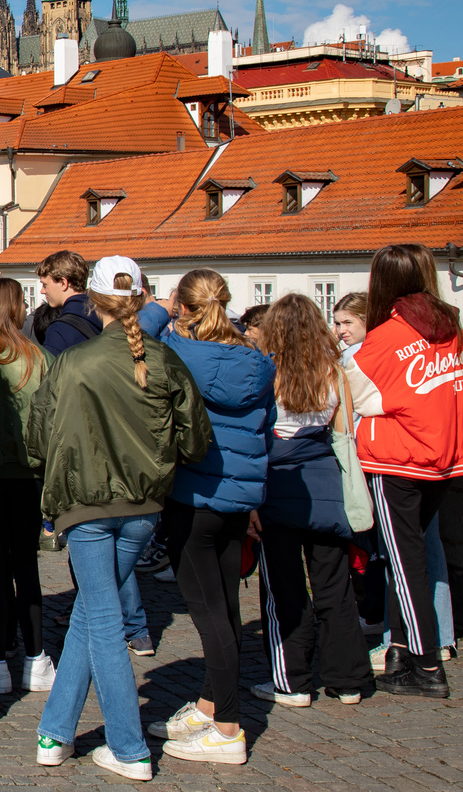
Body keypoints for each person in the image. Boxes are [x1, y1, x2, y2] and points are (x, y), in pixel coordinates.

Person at [29, 256, 211, 781]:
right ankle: (56, 732)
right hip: (143, 505)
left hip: (86, 503)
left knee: (102, 620)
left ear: (95, 300)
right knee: (93, 611)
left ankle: (128, 748)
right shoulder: (165, 360)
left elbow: (38, 437)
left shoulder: (74, 362)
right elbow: (196, 440)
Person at [144, 268, 275, 765]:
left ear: (185, 306)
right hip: (240, 499)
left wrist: (164, 308)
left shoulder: (182, 353)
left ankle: (228, 729)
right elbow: (264, 429)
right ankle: (210, 704)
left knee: (209, 617)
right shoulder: (256, 359)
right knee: (225, 609)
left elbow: (138, 331)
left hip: (195, 496)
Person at [345, 244, 463, 698]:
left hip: (397, 460)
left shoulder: (387, 337)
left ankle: (425, 667)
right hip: (443, 460)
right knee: (410, 561)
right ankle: (405, 652)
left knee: (405, 566)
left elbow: (354, 398)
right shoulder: (453, 331)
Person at [253, 295, 374, 708]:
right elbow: (344, 437)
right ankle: (349, 679)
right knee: (335, 587)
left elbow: (259, 433)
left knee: (283, 588)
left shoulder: (267, 374)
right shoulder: (335, 373)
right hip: (325, 486)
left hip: (277, 485)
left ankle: (293, 681)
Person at [336, 290, 457, 665]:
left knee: (401, 556)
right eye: (337, 322)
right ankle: (440, 637)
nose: (339, 330)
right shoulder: (432, 340)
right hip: (432, 453)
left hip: (393, 457)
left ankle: (405, 645)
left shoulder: (369, 354)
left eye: (347, 323)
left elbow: (361, 408)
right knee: (425, 549)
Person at [0, 278, 55, 694]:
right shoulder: (39, 357)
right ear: (19, 307)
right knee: (26, 565)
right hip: (29, 475)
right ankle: (36, 658)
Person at [31, 250, 101, 354]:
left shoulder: (59, 331)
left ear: (63, 283)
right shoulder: (104, 317)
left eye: (45, 285)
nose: (42, 291)